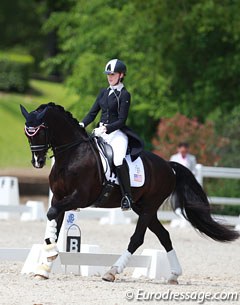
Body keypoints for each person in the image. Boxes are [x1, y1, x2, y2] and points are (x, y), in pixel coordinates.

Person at [79, 59, 143, 211]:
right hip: (100, 132)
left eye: (112, 74)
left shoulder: (124, 94)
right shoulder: (103, 92)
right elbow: (92, 113)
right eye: (108, 74)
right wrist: (81, 124)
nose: (109, 77)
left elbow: (122, 120)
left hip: (117, 133)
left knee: (118, 159)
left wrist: (106, 128)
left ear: (121, 75)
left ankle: (127, 196)